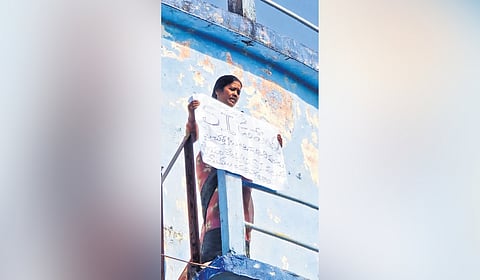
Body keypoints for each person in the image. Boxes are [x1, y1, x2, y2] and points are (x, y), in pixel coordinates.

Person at [186, 75, 283, 264]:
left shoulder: (242, 125)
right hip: (215, 175)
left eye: (238, 91)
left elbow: (256, 151)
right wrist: (191, 113)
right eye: (232, 89)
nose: (236, 94)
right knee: (217, 216)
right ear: (218, 91)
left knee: (241, 217)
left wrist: (273, 144)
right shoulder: (207, 115)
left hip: (240, 186)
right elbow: (191, 135)